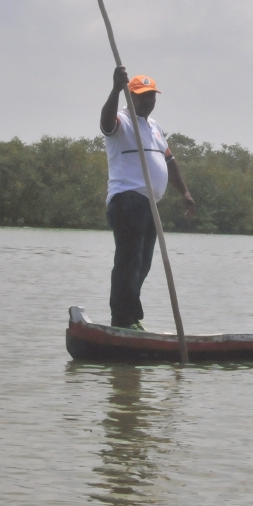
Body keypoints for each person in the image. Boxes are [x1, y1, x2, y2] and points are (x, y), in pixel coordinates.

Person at [100, 65, 196, 329]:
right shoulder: (121, 120)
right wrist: (115, 90)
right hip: (127, 199)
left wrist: (185, 192)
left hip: (150, 204)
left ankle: (130, 317)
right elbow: (105, 123)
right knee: (129, 262)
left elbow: (169, 160)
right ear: (131, 97)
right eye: (143, 95)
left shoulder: (154, 126)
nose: (149, 100)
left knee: (143, 264)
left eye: (152, 95)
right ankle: (122, 319)